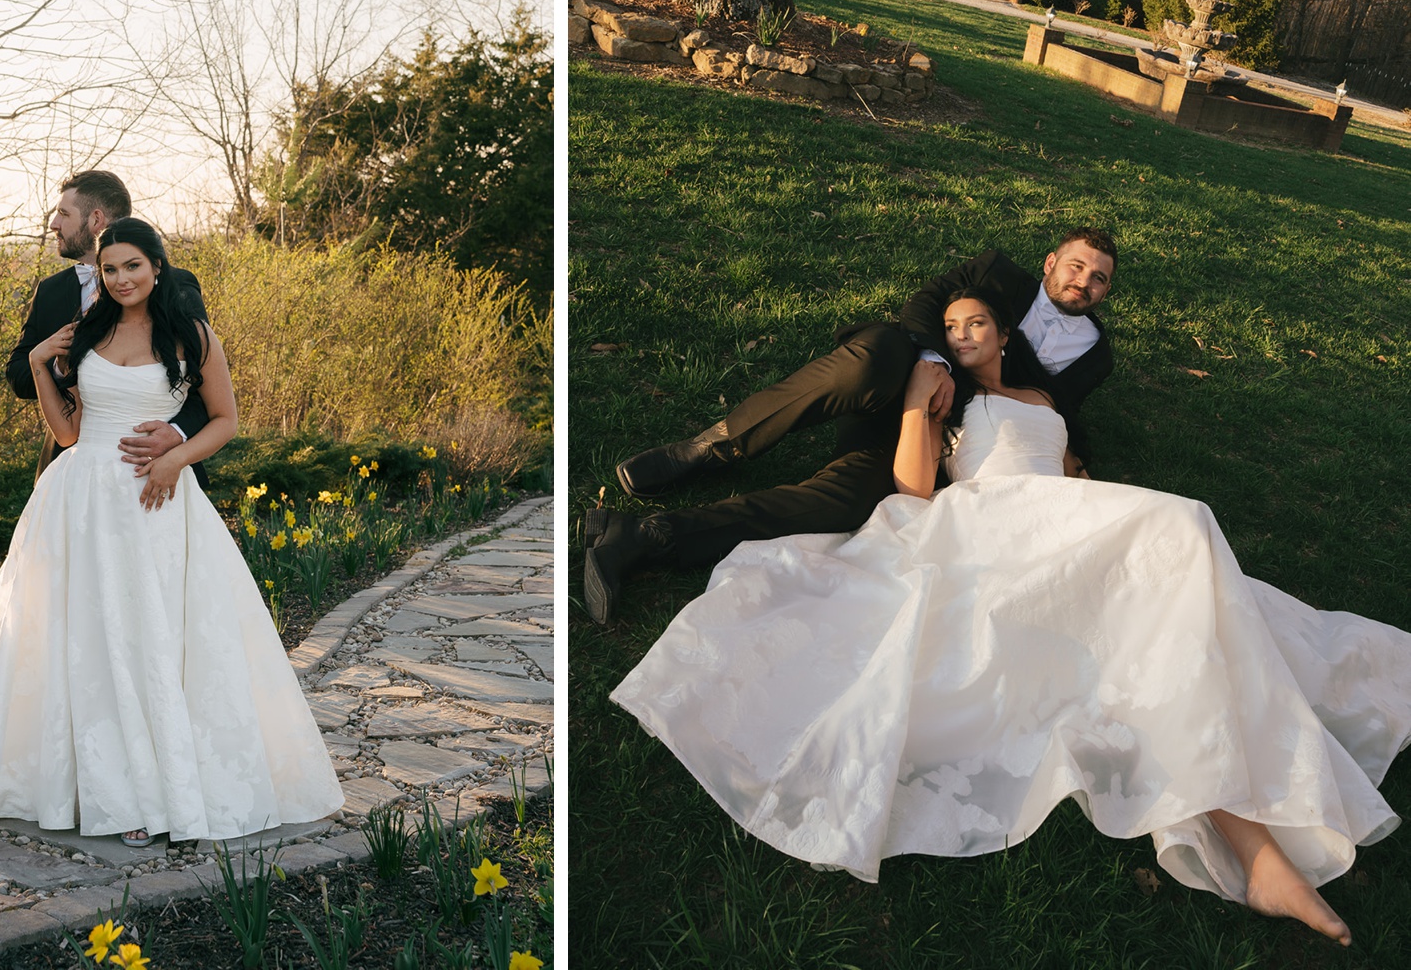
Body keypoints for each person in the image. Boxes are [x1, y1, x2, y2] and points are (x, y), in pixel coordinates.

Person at [611, 292, 1411, 945]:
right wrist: (919, 409)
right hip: (991, 522)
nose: (961, 335)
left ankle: (1255, 844)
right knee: (1185, 529)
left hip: (1070, 512)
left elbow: (1071, 469)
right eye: (950, 327)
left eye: (975, 324)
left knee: (1164, 579)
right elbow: (916, 490)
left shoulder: (1042, 398)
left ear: (1002, 334)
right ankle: (1255, 848)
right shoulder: (943, 398)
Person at [0, 218, 343, 847]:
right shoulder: (89, 332)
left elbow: (225, 420)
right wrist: (39, 363)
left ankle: (157, 790)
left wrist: (173, 458)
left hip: (154, 505)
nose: (122, 278)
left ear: (157, 267)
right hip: (78, 502)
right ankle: (98, 790)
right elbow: (68, 434)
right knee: (80, 642)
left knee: (148, 636)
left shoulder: (190, 334)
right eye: (110, 269)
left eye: (133, 265)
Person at [582, 229, 1118, 624]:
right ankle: (713, 447)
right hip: (901, 365)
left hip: (937, 428)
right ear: (1051, 262)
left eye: (1098, 278)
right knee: (874, 358)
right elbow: (927, 305)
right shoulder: (997, 273)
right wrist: (935, 365)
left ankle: (642, 537)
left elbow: (1059, 416)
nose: (1083, 281)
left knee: (848, 502)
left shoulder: (1095, 355)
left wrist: (1076, 474)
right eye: (1075, 266)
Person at [6, 170, 208, 486]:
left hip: (157, 470)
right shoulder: (51, 291)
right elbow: (18, 375)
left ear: (96, 219)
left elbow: (201, 378)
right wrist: (62, 367)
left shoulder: (177, 287)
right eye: (110, 271)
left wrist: (177, 435)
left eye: (63, 213)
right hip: (71, 468)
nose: (53, 225)